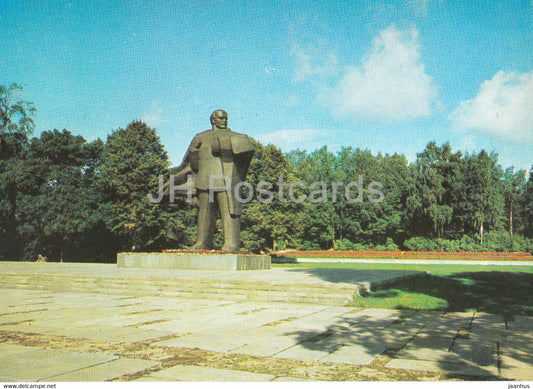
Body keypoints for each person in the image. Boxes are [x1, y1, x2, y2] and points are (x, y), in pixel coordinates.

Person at [171, 110, 254, 253]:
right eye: (221, 118)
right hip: (204, 181)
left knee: (229, 212)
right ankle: (202, 243)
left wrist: (224, 145)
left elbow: (247, 150)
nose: (224, 120)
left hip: (225, 182)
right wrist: (194, 153)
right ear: (213, 120)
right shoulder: (201, 137)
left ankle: (231, 244)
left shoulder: (237, 136)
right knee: (205, 213)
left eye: (226, 118)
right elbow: (189, 162)